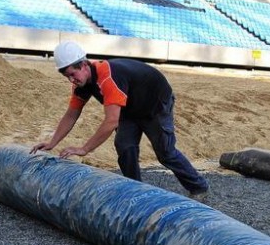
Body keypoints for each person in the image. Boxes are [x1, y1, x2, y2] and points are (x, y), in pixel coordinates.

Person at [31, 41, 209, 200]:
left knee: (165, 153)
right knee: (125, 147)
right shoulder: (82, 83)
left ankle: (199, 187)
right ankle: (136, 191)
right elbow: (71, 114)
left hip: (155, 106)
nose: (71, 80)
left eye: (73, 74)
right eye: (67, 77)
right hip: (129, 109)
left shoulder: (107, 77)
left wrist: (84, 149)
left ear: (84, 65)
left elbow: (111, 122)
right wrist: (52, 142)